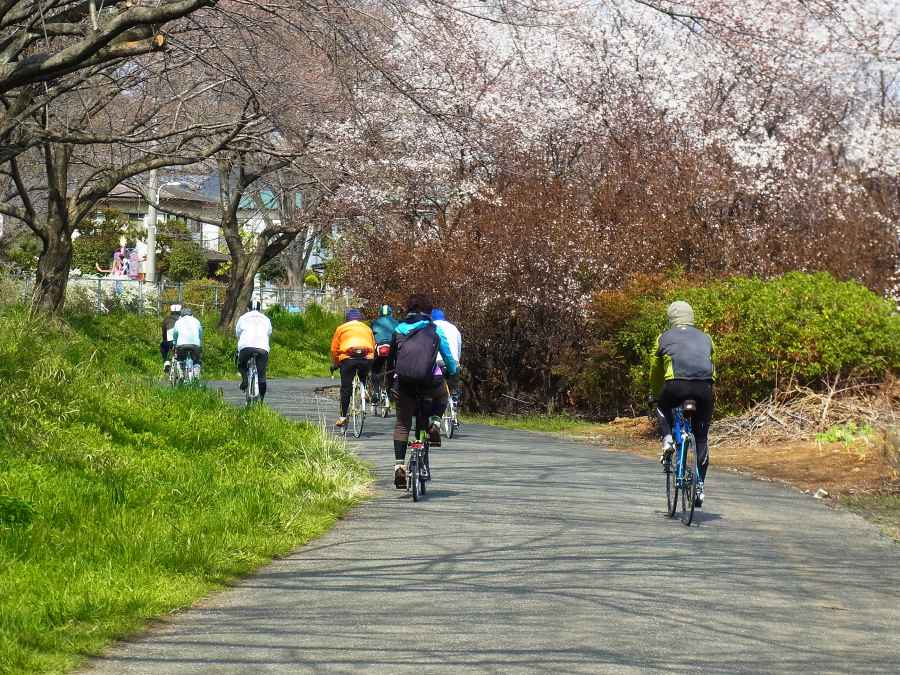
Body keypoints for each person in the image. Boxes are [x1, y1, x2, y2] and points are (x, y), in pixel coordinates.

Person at [389, 294, 460, 489]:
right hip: (429, 381)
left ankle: (399, 466)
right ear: (428, 312)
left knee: (402, 423)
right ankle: (435, 423)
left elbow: (391, 361)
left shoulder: (398, 329)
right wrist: (452, 373)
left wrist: (390, 386)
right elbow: (448, 358)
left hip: (404, 383)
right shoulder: (435, 330)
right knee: (442, 396)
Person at [650, 301, 715, 507]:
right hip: (704, 388)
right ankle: (699, 486)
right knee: (701, 437)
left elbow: (655, 369)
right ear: (691, 317)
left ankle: (668, 439)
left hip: (675, 386)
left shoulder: (663, 337)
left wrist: (655, 393)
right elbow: (712, 366)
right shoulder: (707, 338)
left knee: (662, 406)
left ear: (671, 318)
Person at [330, 308, 376, 427]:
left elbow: (334, 349)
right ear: (360, 319)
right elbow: (373, 345)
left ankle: (343, 417)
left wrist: (336, 363)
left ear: (347, 319)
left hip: (348, 359)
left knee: (346, 387)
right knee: (363, 374)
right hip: (366, 358)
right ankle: (364, 389)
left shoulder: (341, 328)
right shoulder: (367, 329)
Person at [236, 299, 273, 402]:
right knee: (262, 375)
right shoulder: (266, 319)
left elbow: (238, 333)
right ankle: (261, 401)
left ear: (248, 308)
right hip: (262, 348)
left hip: (246, 347)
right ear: (259, 309)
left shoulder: (243, 317)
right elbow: (269, 332)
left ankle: (245, 380)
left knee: (241, 365)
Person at [431, 308, 462, 402]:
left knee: (433, 389)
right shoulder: (454, 328)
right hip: (454, 362)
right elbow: (459, 347)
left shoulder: (430, 327)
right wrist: (456, 361)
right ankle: (453, 402)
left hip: (436, 363)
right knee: (453, 387)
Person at [370, 304, 399, 396]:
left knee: (375, 370)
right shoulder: (396, 322)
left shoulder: (375, 322)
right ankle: (391, 391)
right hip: (392, 348)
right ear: (391, 313)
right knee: (393, 369)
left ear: (380, 313)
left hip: (380, 348)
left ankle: (376, 392)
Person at [172, 307, 203, 377]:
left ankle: (181, 372)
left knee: (180, 359)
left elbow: (175, 334)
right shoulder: (197, 321)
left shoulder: (178, 322)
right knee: (196, 360)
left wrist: (174, 344)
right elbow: (200, 333)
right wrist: (200, 344)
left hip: (181, 345)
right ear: (191, 314)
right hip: (195, 345)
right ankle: (196, 372)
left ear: (181, 315)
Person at [161, 304, 182, 372]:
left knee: (163, 346)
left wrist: (165, 341)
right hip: (181, 342)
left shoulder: (166, 319)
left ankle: (166, 361)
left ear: (171, 311)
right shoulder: (182, 319)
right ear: (180, 311)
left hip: (170, 342)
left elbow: (164, 333)